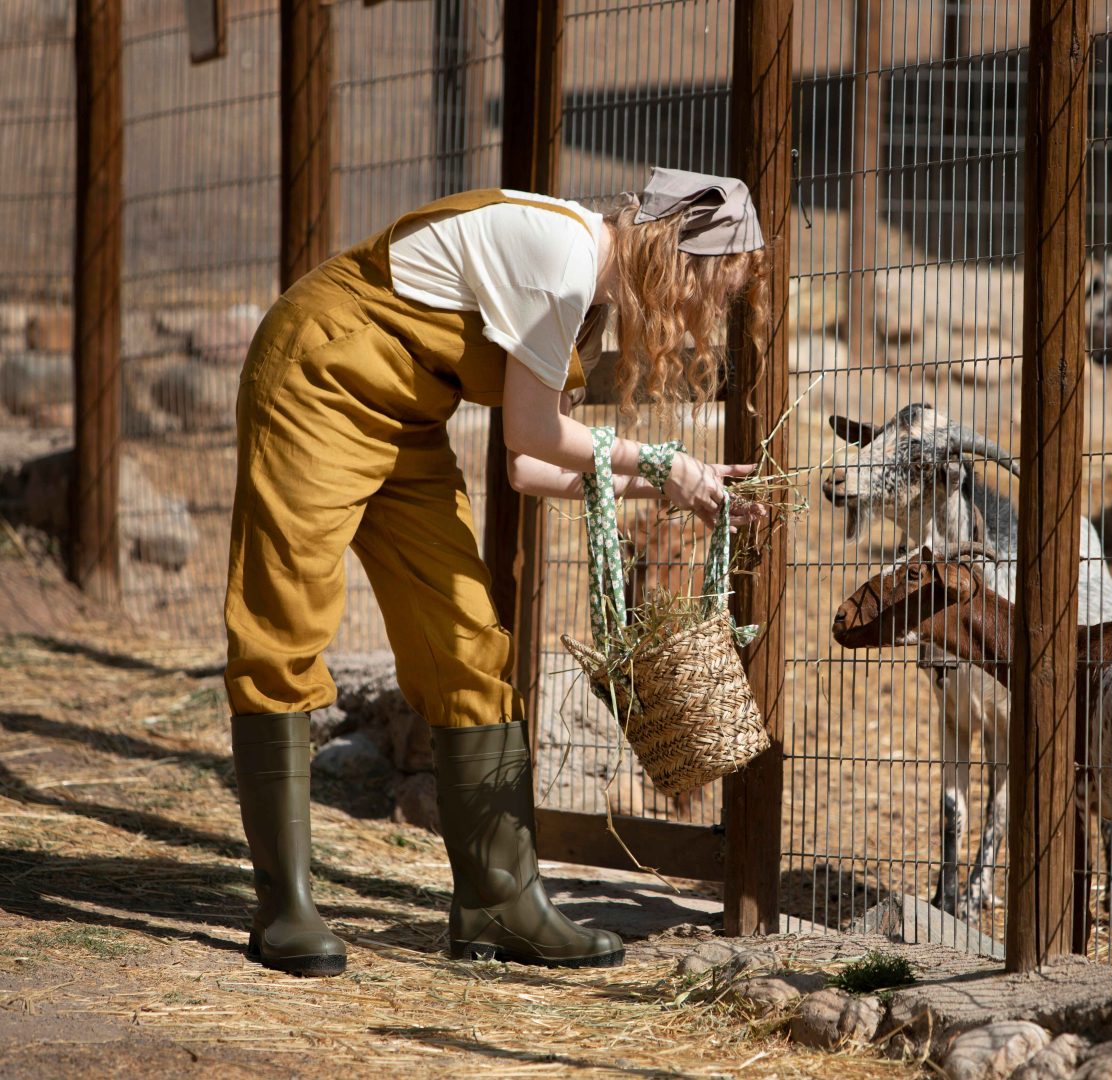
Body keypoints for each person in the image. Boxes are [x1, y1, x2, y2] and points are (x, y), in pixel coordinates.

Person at [224, 168, 770, 976]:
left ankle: (500, 903)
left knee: (467, 644)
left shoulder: (587, 305)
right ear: (676, 258)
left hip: (406, 418)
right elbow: (534, 430)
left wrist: (670, 483)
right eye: (711, 291)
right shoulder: (563, 257)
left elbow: (527, 464)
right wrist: (663, 461)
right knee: (287, 620)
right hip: (318, 379)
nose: (707, 316)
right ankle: (284, 907)